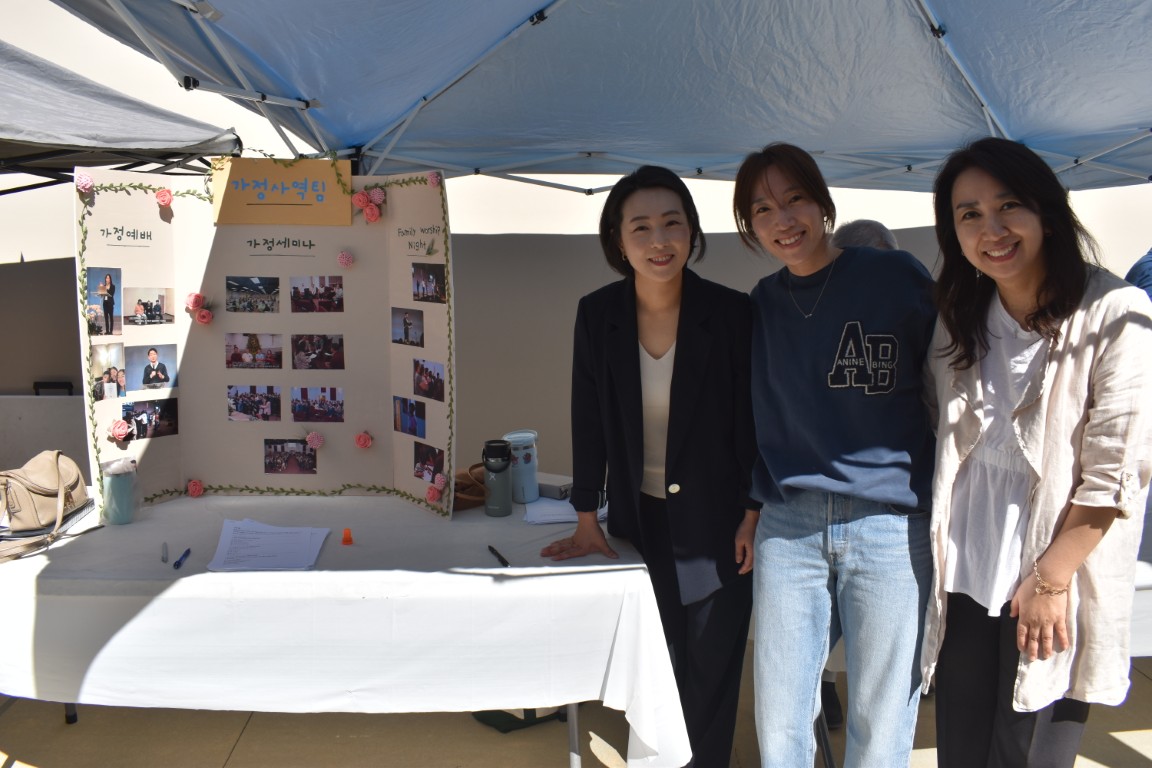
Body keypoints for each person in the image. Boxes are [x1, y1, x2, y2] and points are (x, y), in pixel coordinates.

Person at [922, 137, 1152, 768]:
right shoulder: (959, 313)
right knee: (962, 751)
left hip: (1053, 578)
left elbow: (1116, 473)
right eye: (969, 214)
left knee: (1029, 753)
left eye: (1008, 206)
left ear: (1046, 213)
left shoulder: (1115, 312)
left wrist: (1051, 580)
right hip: (965, 576)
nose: (991, 230)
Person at [541, 166, 760, 767]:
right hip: (641, 521)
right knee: (657, 666)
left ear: (692, 232)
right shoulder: (598, 313)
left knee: (712, 669)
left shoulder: (732, 312)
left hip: (721, 525)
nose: (659, 241)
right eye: (641, 227)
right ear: (618, 240)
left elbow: (753, 421)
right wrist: (586, 514)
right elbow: (588, 417)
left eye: (672, 223)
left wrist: (752, 511)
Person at [733, 143, 936, 767]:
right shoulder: (762, 303)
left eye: (794, 199)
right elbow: (760, 413)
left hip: (889, 524)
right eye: (762, 209)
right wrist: (752, 509)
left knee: (882, 714)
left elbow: (949, 384)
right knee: (781, 714)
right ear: (750, 226)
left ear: (823, 203)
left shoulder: (895, 276)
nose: (783, 219)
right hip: (789, 524)